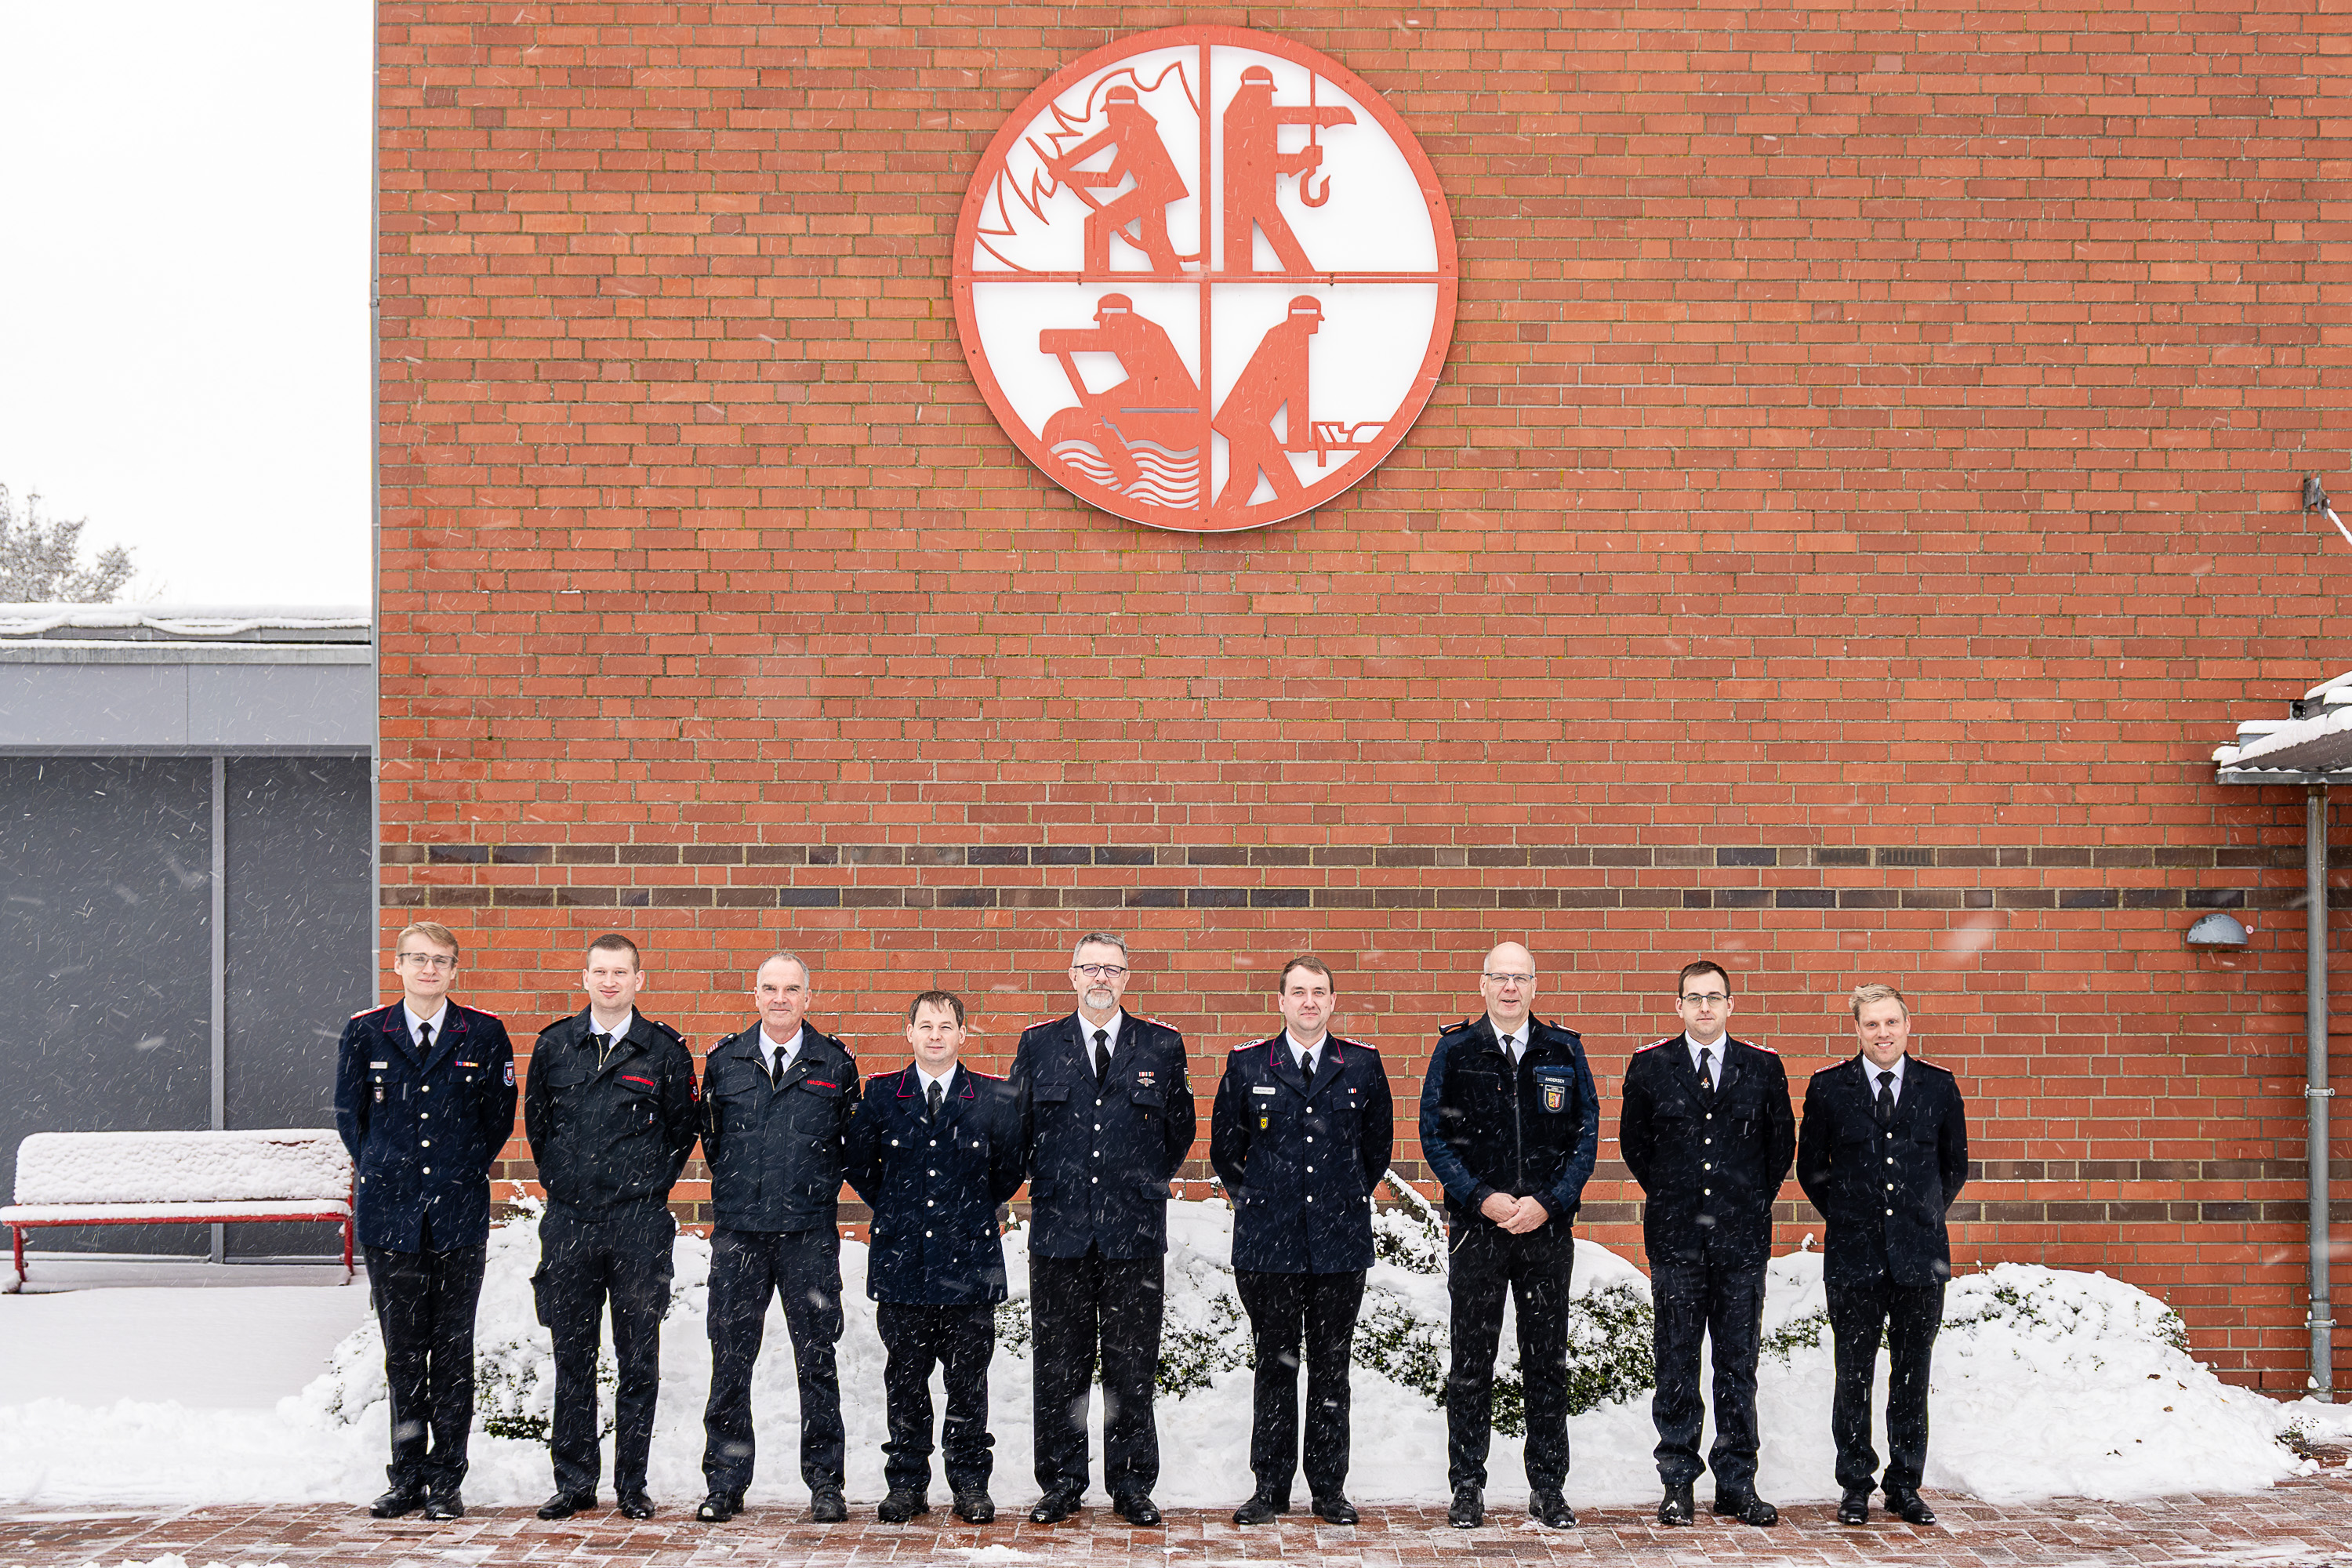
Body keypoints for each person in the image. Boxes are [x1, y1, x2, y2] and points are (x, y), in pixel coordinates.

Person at [1011, 931, 1197, 1526]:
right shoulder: (1038, 1045)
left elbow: (1179, 1133)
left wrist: (1133, 1182)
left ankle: (1132, 1484)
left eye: (1112, 969)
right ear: (1071, 976)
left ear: (1126, 977)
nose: (1100, 979)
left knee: (1131, 1366)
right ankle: (1062, 1482)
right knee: (1059, 1367)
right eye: (1090, 968)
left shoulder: (1162, 1047)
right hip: (1061, 1231)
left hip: (1133, 1233)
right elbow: (1019, 1133)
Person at [332, 920, 517, 1522]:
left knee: (452, 1349)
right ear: (398, 965)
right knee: (404, 1352)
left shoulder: (482, 1034)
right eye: (418, 959)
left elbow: (495, 1120)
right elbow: (351, 1119)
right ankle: (405, 1476)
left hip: (458, 1216)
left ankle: (446, 1480)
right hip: (392, 1216)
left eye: (440, 960)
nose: (428, 970)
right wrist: (393, 1170)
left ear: (455, 969)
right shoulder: (367, 1034)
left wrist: (451, 1174)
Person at [1416, 941, 1599, 1530]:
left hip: (1546, 1234)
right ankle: (1467, 1485)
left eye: (1521, 979)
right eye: (1501, 978)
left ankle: (1549, 1488)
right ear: (1483, 984)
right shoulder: (1456, 1049)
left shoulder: (1563, 1049)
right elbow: (1433, 1137)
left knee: (1547, 1363)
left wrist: (1549, 1202)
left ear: (1535, 986)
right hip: (1479, 1232)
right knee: (1471, 1363)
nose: (1511, 988)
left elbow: (1586, 1136)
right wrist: (1481, 1198)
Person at [1207, 956, 1393, 1526]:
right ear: (1281, 1002)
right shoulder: (1246, 1065)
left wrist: (1339, 1197)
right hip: (1269, 1246)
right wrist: (1263, 1198)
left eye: (1319, 992)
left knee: (1332, 1368)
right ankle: (1269, 1486)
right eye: (1298, 992)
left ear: (1333, 1002)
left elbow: (1375, 1149)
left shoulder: (1361, 1064)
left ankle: (1329, 1489)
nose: (1309, 1002)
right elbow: (1225, 1149)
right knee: (1275, 1364)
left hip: (1338, 1244)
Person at [522, 933, 699, 1521]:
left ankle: (631, 1484)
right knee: (573, 1356)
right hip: (571, 1222)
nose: (609, 982)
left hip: (637, 1224)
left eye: (621, 972)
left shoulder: (665, 1052)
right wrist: (572, 1184)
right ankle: (574, 1482)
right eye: (600, 971)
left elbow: (680, 1133)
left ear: (638, 980)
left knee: (637, 1361)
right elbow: (539, 1129)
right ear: (585, 977)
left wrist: (639, 1185)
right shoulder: (554, 1047)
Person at [1617, 959, 1795, 1529]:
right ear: (1679, 1007)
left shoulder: (1763, 1069)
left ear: (1730, 1004)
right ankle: (1677, 1483)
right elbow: (1637, 1148)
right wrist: (1682, 1199)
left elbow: (1778, 1151)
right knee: (1675, 1362)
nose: (1705, 1008)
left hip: (1742, 1241)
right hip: (1675, 1240)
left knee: (1737, 1363)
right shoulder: (1650, 1068)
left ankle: (1737, 1482)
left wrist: (1737, 1204)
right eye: (1694, 998)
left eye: (1715, 997)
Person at [846, 990, 1027, 1524]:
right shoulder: (881, 1096)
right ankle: (906, 1484)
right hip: (903, 1264)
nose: (934, 1036)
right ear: (909, 1033)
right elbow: (860, 1165)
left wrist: (961, 1212)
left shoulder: (993, 1097)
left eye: (945, 1026)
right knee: (905, 1382)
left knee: (969, 1384)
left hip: (968, 1264)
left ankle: (971, 1483)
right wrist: (902, 1210)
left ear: (962, 1035)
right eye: (925, 1026)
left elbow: (1008, 1172)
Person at [1797, 982, 1969, 1527]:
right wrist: (1853, 1217)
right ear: (1858, 1030)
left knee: (1912, 1374)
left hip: (1921, 1259)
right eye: (1871, 1024)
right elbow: (1811, 1170)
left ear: (1907, 1025)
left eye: (1891, 1022)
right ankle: (1854, 1485)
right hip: (1853, 1256)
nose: (1882, 1033)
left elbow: (1953, 1166)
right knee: (1853, 1375)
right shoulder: (1829, 1089)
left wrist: (1917, 1217)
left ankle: (1904, 1485)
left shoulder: (1938, 1087)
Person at [695, 952, 858, 1525]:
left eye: (792, 989)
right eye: (770, 988)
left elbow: (847, 1147)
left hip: (807, 1236)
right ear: (755, 994)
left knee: (817, 1362)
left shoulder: (834, 1065)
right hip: (740, 1234)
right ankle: (724, 1483)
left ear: (808, 998)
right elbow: (714, 1145)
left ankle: (825, 1484)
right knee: (731, 1361)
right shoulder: (724, 1063)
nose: (781, 998)